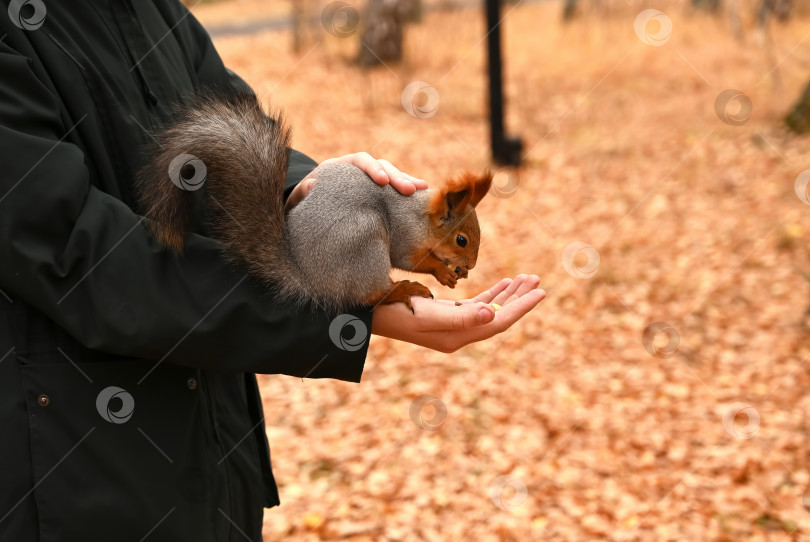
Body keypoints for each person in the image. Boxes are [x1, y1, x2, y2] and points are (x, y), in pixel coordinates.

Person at [0, 1, 545, 540]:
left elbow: (236, 123)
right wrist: (344, 312)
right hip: (78, 480)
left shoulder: (153, 11)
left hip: (217, 463)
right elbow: (81, 254)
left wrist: (304, 189)